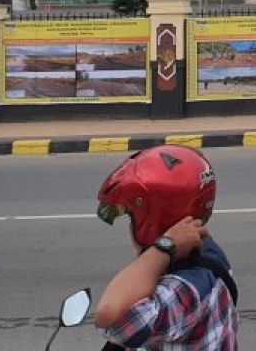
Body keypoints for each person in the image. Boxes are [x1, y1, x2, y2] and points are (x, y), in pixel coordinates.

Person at [94, 145, 238, 350]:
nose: (129, 226)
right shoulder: (207, 249)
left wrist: (163, 247)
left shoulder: (184, 289)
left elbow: (111, 316)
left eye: (131, 216)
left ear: (153, 218)